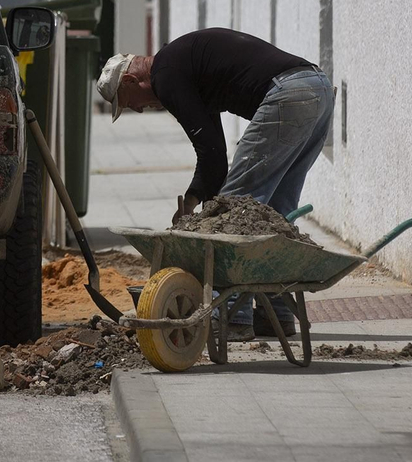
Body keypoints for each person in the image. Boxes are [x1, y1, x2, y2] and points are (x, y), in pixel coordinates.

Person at [96, 28, 335, 339]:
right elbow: (214, 156)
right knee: (276, 210)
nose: (139, 109)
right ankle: (277, 315)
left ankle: (232, 317)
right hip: (317, 88)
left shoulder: (165, 76)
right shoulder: (181, 66)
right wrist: (193, 202)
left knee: (235, 210)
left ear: (130, 80)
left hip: (289, 94)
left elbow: (209, 151)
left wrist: (205, 210)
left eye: (130, 103)